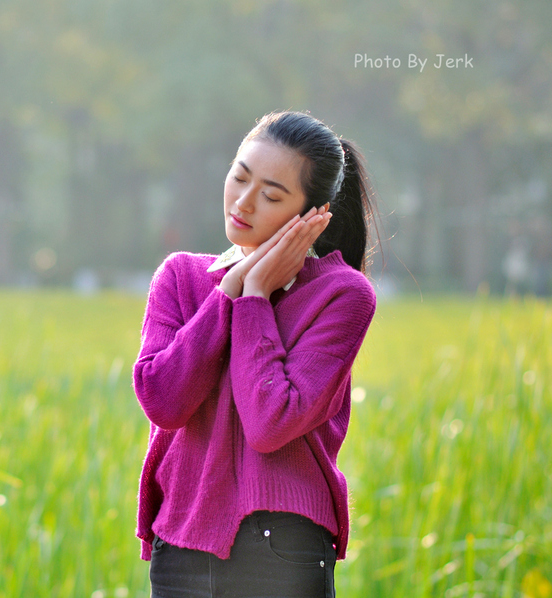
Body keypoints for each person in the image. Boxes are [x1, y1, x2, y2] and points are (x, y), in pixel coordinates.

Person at [133, 111, 379, 598]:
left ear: (314, 213)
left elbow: (271, 423)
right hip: (180, 546)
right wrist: (228, 292)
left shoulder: (342, 295)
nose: (243, 202)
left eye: (271, 195)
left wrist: (254, 299)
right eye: (239, 176)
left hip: (281, 549)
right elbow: (164, 401)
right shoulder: (181, 277)